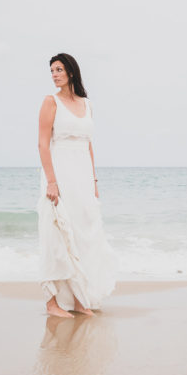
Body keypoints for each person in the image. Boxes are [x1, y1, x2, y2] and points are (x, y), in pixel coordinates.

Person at [37, 53, 117, 317]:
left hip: (82, 177)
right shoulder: (51, 102)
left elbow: (89, 145)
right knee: (58, 233)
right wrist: (51, 181)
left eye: (59, 69)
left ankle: (81, 298)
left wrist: (93, 181)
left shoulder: (87, 105)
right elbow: (42, 144)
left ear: (71, 71)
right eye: (52, 71)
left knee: (84, 233)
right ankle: (52, 303)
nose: (54, 74)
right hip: (59, 175)